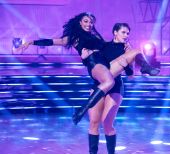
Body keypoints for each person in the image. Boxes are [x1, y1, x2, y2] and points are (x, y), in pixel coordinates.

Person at [19, 12, 160, 126]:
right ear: (80, 22)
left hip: (106, 63)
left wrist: (124, 51)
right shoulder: (74, 38)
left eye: (91, 22)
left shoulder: (96, 38)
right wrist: (32, 42)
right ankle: (81, 110)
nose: (89, 24)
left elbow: (108, 49)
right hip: (95, 64)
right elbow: (54, 41)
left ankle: (145, 68)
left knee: (133, 52)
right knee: (108, 84)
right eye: (86, 21)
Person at [81, 23, 132, 154]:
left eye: (128, 33)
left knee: (107, 123)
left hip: (115, 87)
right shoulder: (103, 46)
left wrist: (126, 64)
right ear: (115, 32)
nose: (126, 35)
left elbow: (131, 73)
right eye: (123, 32)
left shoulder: (127, 50)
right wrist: (85, 58)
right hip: (98, 85)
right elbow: (93, 64)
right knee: (93, 122)